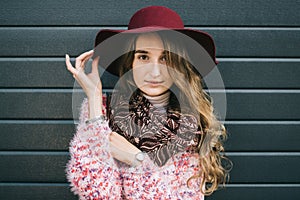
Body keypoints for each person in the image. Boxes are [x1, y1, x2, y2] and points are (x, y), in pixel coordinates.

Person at [65, 6, 230, 200]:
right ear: (130, 63)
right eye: (143, 57)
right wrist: (94, 102)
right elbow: (97, 194)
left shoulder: (189, 130)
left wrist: (138, 161)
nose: (154, 72)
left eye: (165, 59)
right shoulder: (102, 116)